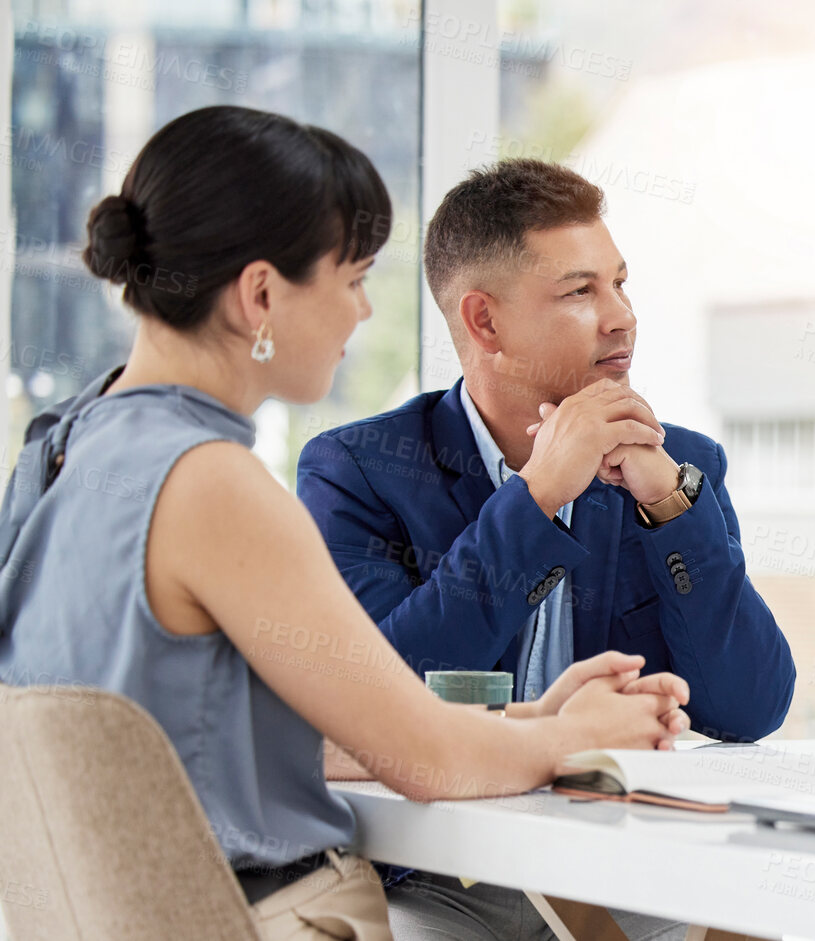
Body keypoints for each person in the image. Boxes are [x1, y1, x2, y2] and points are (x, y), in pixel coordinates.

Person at [0, 106, 688, 940]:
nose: (364, 313)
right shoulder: (212, 484)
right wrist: (569, 739)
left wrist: (536, 721)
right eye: (354, 278)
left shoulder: (60, 453)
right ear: (260, 294)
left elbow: (256, 735)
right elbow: (421, 758)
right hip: (274, 916)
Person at [295, 158, 794, 938]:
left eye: (620, 284)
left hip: (617, 863)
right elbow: (383, 699)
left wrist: (672, 507)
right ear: (485, 322)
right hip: (434, 868)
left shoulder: (676, 463)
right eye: (579, 292)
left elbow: (750, 707)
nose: (621, 316)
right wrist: (535, 499)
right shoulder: (358, 470)